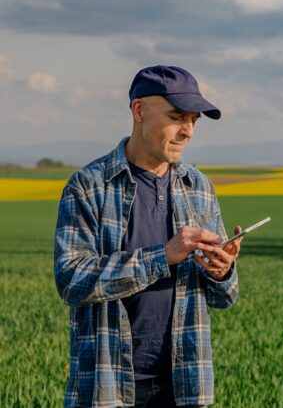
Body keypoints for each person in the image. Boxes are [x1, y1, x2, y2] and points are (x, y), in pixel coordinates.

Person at [54, 65, 241, 408]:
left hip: (185, 384)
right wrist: (163, 256)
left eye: (194, 121)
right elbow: (71, 281)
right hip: (108, 386)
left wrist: (222, 271)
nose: (187, 131)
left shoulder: (199, 187)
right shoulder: (88, 186)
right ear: (139, 110)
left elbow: (225, 297)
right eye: (176, 117)